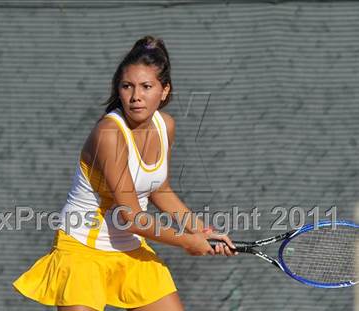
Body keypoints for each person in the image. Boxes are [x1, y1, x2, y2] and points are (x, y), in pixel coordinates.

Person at [12, 35, 237, 311]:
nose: (135, 96)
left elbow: (159, 190)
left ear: (164, 91)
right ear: (118, 90)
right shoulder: (109, 134)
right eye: (127, 86)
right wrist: (187, 241)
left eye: (146, 86)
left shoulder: (165, 127)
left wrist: (202, 231)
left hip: (130, 249)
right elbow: (130, 217)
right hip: (82, 252)